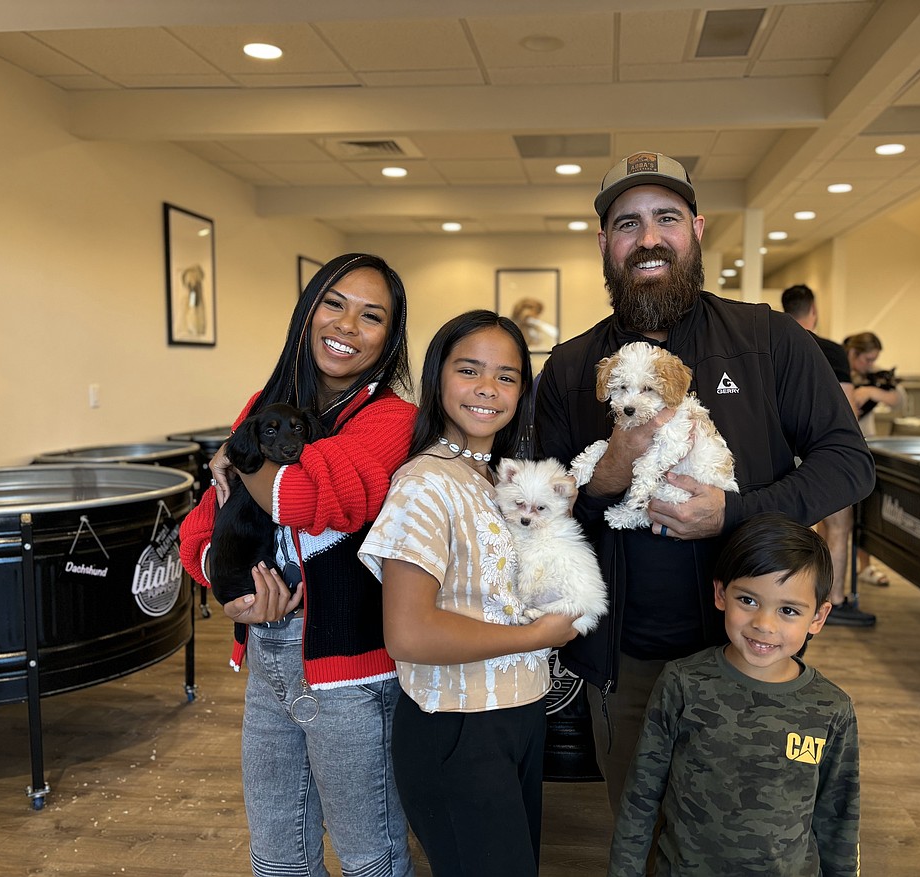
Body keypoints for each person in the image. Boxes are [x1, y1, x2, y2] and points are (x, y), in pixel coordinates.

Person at [534, 151, 875, 813]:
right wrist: (605, 473)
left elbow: (848, 461)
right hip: (625, 663)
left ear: (697, 229)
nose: (649, 237)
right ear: (605, 244)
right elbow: (542, 513)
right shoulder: (574, 367)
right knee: (640, 834)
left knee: (749, 833)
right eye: (628, 224)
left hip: (751, 651)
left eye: (667, 217)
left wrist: (736, 512)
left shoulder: (768, 339)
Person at [178, 253, 416, 877]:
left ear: (390, 339)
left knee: (370, 855)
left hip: (351, 672)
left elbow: (317, 501)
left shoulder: (392, 419)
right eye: (334, 303)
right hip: (269, 658)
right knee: (277, 852)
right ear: (308, 311)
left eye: (373, 316)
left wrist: (244, 450)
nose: (347, 325)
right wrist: (228, 588)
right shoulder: (267, 403)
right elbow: (204, 526)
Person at [359, 310, 580, 877]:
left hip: (520, 714)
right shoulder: (425, 483)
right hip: (457, 725)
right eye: (469, 370)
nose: (488, 389)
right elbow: (408, 632)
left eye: (507, 376)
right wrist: (537, 635)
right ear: (437, 378)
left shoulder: (498, 480)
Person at [607, 512, 860, 876]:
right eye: (749, 600)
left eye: (788, 610)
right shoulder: (682, 683)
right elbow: (640, 799)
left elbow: (839, 820)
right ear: (721, 593)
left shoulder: (832, 709)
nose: (764, 624)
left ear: (818, 618)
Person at [781, 284, 875, 626]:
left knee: (790, 525)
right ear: (814, 310)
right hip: (821, 454)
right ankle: (830, 599)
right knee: (837, 525)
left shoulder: (773, 343)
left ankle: (787, 595)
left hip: (782, 453)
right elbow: (845, 410)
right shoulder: (831, 351)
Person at [845, 331, 903, 587]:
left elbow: (899, 399)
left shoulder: (873, 376)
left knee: (863, 513)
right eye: (867, 359)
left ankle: (864, 567)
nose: (871, 365)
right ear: (853, 354)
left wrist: (871, 391)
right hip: (840, 449)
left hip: (865, 444)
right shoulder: (837, 368)